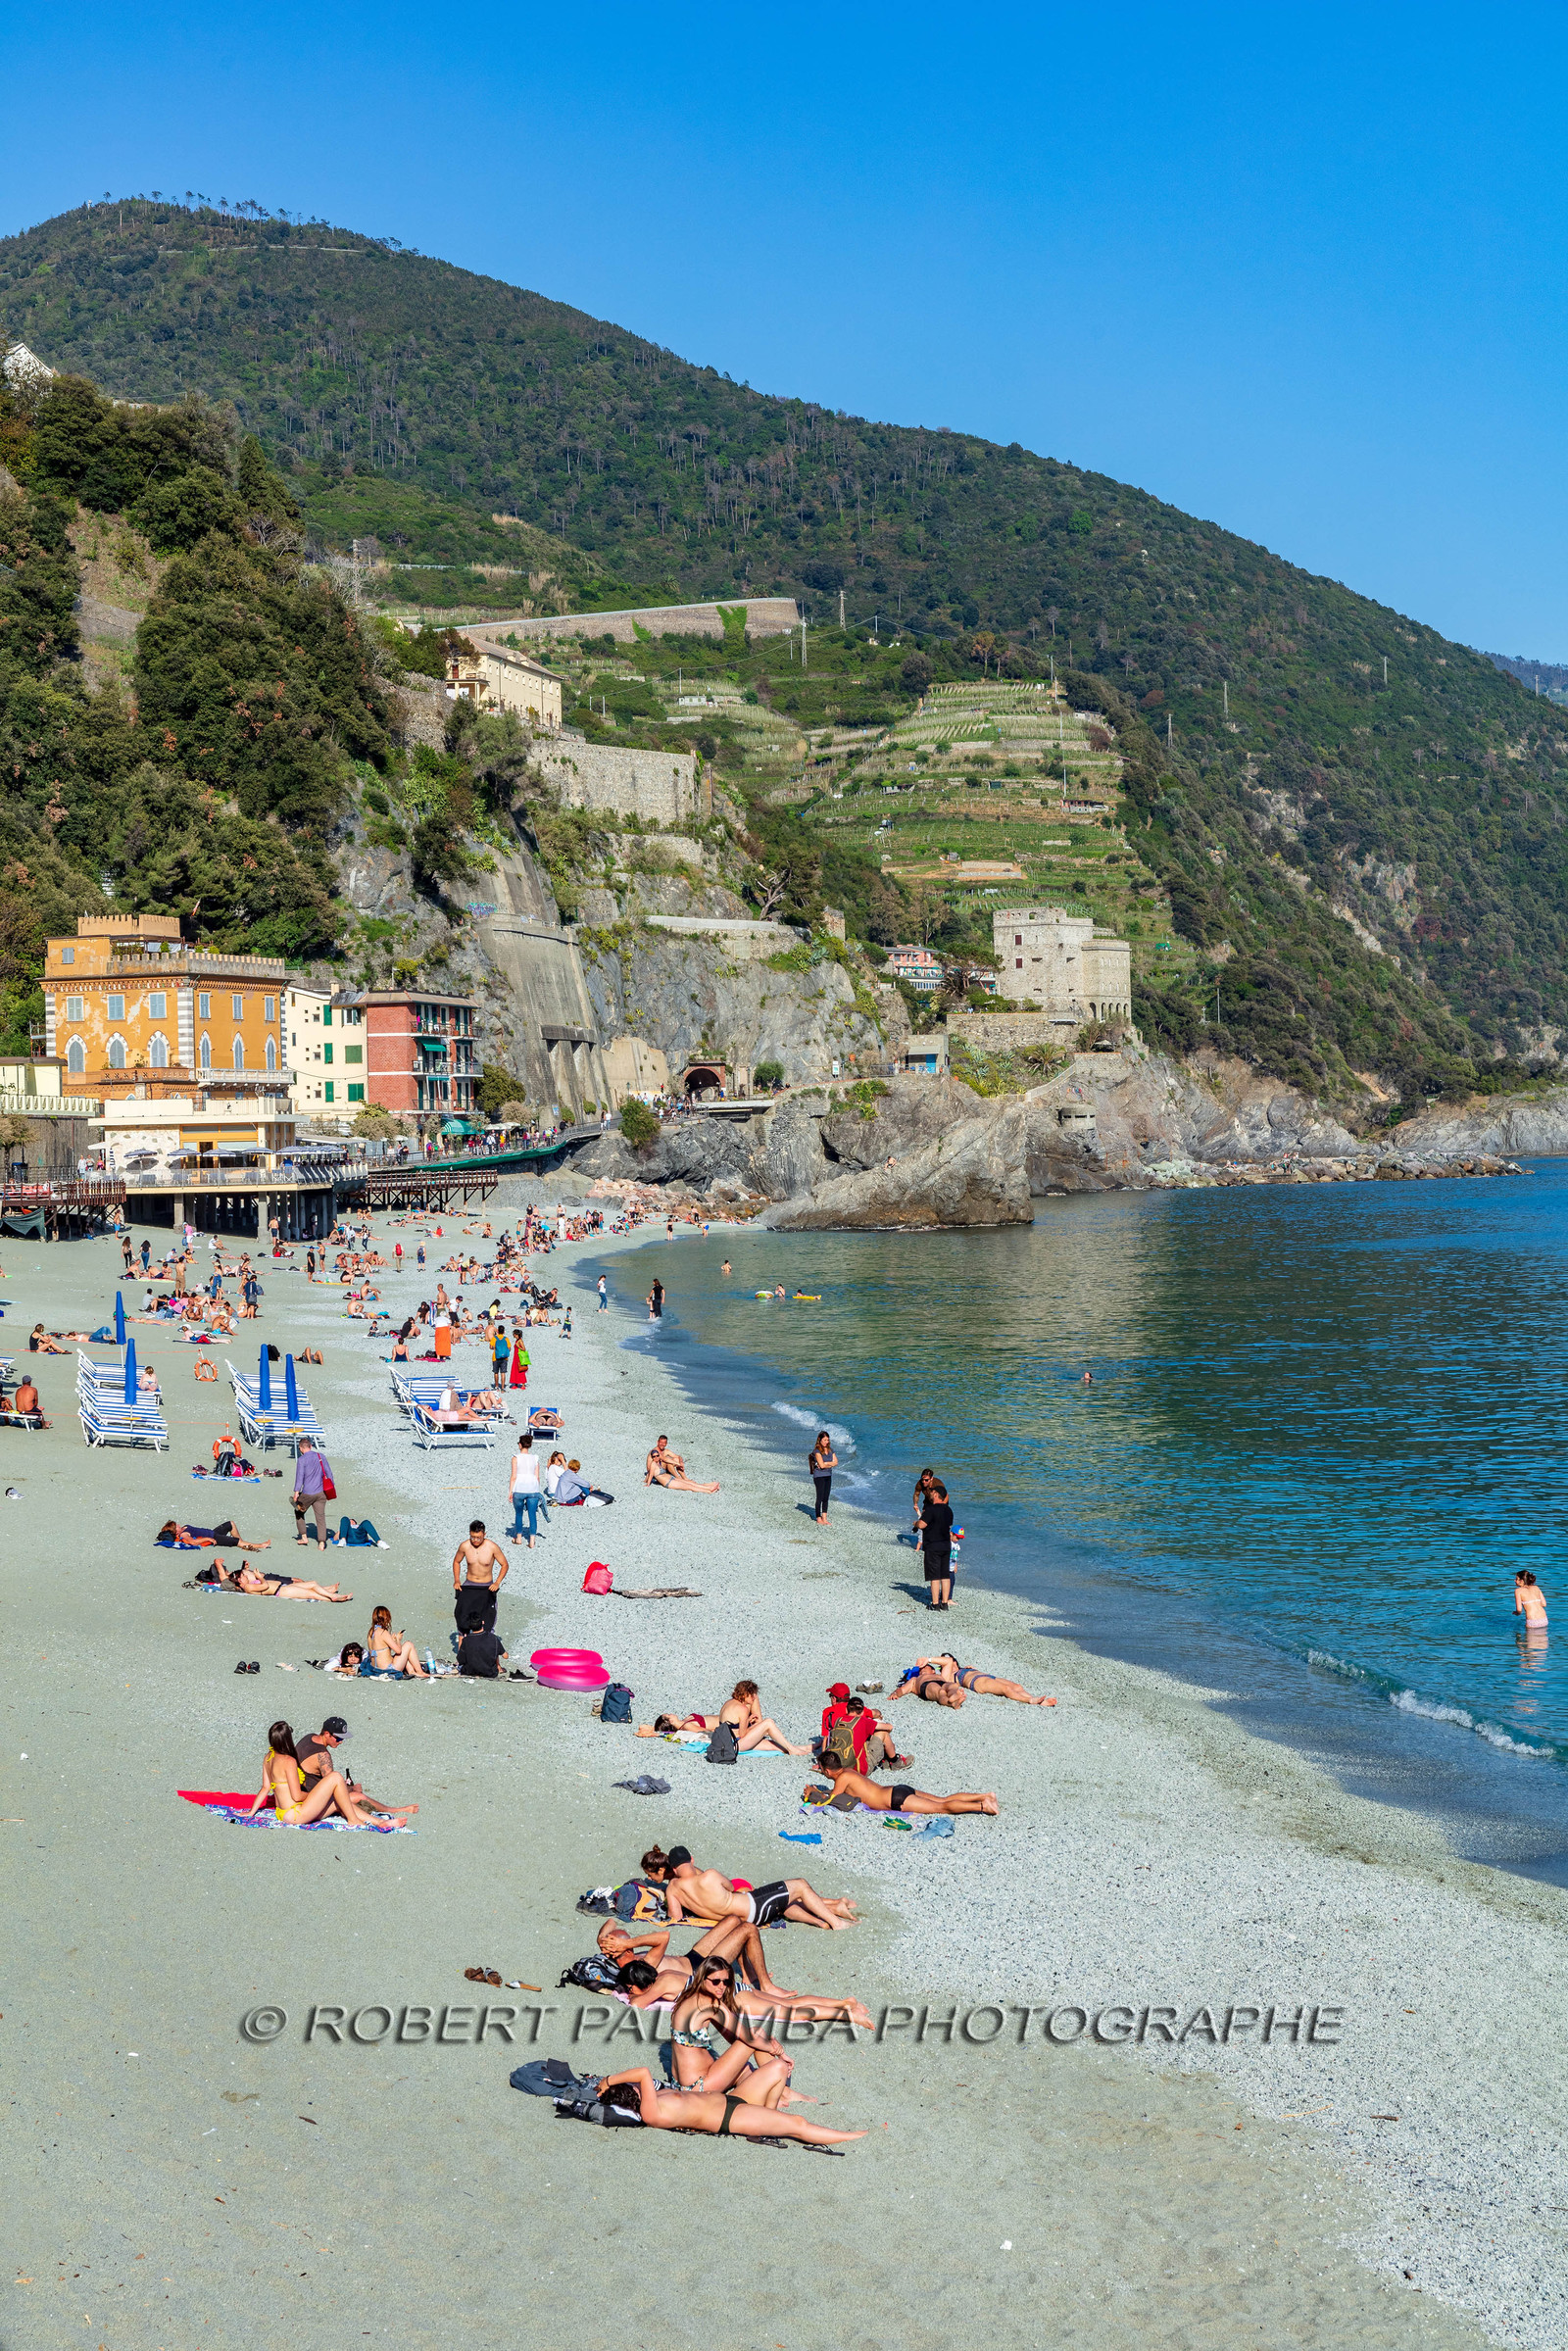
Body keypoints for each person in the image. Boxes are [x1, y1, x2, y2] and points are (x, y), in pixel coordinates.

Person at [641, 1846, 858, 1931]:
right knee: (800, 1885)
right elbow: (730, 1886)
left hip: (743, 1919)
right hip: (753, 1906)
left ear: (674, 1869)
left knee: (782, 1904)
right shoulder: (710, 1875)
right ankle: (837, 1922)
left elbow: (676, 1918)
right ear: (692, 1859)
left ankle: (821, 1919)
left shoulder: (672, 1890)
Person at [245, 1720, 402, 1828]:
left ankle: (378, 1822)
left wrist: (251, 1812)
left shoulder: (268, 1757)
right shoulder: (288, 1761)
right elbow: (297, 1796)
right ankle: (353, 1820)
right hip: (295, 1814)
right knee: (336, 1777)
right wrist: (320, 1794)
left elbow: (265, 1788)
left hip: (282, 1813)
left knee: (339, 1802)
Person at [295, 1716, 416, 1817]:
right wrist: (352, 1789)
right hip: (311, 1801)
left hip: (299, 1792)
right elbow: (331, 1789)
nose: (341, 1741)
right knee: (359, 1796)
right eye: (338, 1738)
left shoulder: (309, 1737)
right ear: (326, 1734)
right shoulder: (323, 1756)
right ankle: (395, 1810)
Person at [805, 1764, 998, 1816]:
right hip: (897, 1789)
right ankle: (986, 1795)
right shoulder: (848, 1771)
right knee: (942, 1799)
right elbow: (835, 1791)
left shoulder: (843, 1778)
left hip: (896, 1800)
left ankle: (983, 1806)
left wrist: (812, 1793)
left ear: (827, 1770)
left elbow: (829, 1799)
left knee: (943, 1807)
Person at [892, 1654, 1055, 1707]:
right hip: (977, 1682)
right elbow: (946, 1663)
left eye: (950, 1658)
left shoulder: (962, 1668)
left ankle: (1037, 1700)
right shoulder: (946, 1674)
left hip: (984, 1675)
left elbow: (948, 1662)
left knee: (1016, 1686)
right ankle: (1031, 1700)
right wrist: (928, 1660)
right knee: (1006, 1691)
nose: (947, 1661)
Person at [720, 1679, 811, 1755]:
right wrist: (758, 1728)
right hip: (736, 1744)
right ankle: (792, 1750)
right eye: (752, 1695)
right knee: (768, 1722)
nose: (755, 1697)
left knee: (773, 1746)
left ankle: (806, 1748)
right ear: (744, 1695)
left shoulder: (729, 1703)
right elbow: (742, 1734)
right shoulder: (742, 1709)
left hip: (726, 1743)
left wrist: (748, 1722)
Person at [453, 1519, 509, 1633]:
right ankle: (463, 1649)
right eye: (473, 1537)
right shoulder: (465, 1546)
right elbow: (456, 1562)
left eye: (478, 1537)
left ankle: (486, 1645)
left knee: (488, 1620)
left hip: (487, 1585)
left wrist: (497, 1582)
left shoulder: (492, 1547)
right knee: (463, 1620)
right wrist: (457, 1580)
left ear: (484, 1534)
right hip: (469, 1584)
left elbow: (504, 1564)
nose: (475, 1540)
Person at [915, 1477, 955, 1609]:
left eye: (932, 1493)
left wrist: (916, 1523)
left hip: (933, 1545)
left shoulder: (931, 1509)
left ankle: (935, 1604)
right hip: (945, 1545)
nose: (930, 1494)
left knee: (934, 1576)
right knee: (945, 1575)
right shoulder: (949, 1511)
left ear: (937, 1494)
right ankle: (945, 1603)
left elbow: (922, 1524)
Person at [220, 1564, 353, 1601]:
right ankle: (333, 1597)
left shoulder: (248, 1584)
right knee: (311, 1594)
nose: (245, 1576)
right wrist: (259, 1577)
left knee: (312, 1583)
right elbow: (265, 1586)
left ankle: (329, 1591)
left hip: (283, 1587)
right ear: (239, 1580)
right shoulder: (248, 1587)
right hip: (281, 1591)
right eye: (243, 1576)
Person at [293, 1437, 334, 1553]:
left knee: (298, 1511)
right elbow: (329, 1474)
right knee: (320, 1517)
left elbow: (299, 1478)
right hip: (321, 1492)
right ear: (310, 1446)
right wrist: (330, 1490)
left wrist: (296, 1492)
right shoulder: (321, 1456)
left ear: (301, 1448)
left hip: (308, 1492)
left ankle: (304, 1537)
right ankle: (322, 1543)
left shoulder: (302, 1460)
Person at [364, 1605, 429, 1678]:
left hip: (375, 1668)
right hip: (388, 1669)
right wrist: (398, 1639)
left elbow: (381, 1649)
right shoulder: (383, 1632)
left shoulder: (371, 1632)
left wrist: (392, 1640)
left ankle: (412, 1672)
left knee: (405, 1653)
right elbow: (398, 1651)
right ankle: (420, 1672)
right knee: (408, 1644)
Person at [645, 1436, 719, 1494]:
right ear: (657, 1442)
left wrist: (680, 1463)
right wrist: (647, 1483)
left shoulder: (662, 1455)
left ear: (666, 1444)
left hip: (669, 1477)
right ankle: (709, 1490)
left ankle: (709, 1486)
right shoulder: (654, 1456)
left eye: (664, 1443)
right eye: (661, 1442)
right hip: (667, 1482)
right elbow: (652, 1472)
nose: (656, 1457)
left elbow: (677, 1457)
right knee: (689, 1486)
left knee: (689, 1483)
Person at [157, 1518, 270, 1552]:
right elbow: (193, 1542)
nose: (179, 1524)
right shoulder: (184, 1534)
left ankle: (243, 1544)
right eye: (176, 1525)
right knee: (236, 1542)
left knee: (230, 1524)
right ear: (175, 1531)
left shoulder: (184, 1528)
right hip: (215, 1537)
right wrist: (208, 1538)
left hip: (214, 1532)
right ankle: (260, 1545)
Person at [508, 1434, 542, 1547]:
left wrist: (510, 1491)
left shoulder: (515, 1457)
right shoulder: (535, 1458)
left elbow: (513, 1476)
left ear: (520, 1444)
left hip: (520, 1487)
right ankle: (532, 1541)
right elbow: (537, 1477)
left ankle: (518, 1538)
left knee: (519, 1514)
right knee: (532, 1515)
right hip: (533, 1487)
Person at [809, 1430, 837, 1526]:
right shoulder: (817, 1451)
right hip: (819, 1476)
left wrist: (826, 1464)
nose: (826, 1442)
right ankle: (818, 1518)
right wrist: (829, 1464)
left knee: (826, 1497)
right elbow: (821, 1465)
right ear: (820, 1440)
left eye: (827, 1440)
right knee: (820, 1497)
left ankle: (825, 1518)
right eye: (824, 1440)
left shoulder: (830, 1450)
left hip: (828, 1475)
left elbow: (836, 1462)